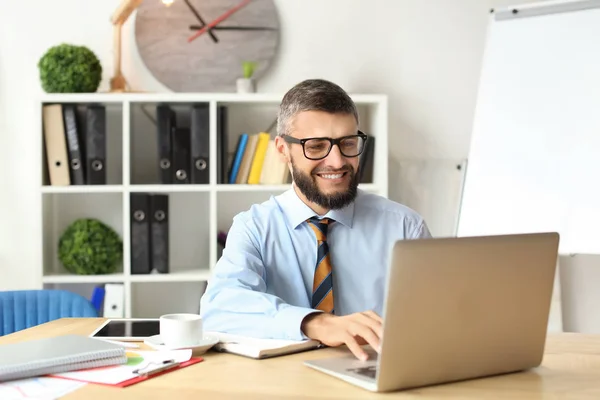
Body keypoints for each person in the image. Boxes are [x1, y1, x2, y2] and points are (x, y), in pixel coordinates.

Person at [200, 78, 431, 361]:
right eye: (317, 146)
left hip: (373, 374)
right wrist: (315, 323)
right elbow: (220, 308)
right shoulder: (254, 227)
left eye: (347, 143)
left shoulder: (405, 227)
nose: (336, 161)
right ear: (283, 150)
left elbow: (435, 320)